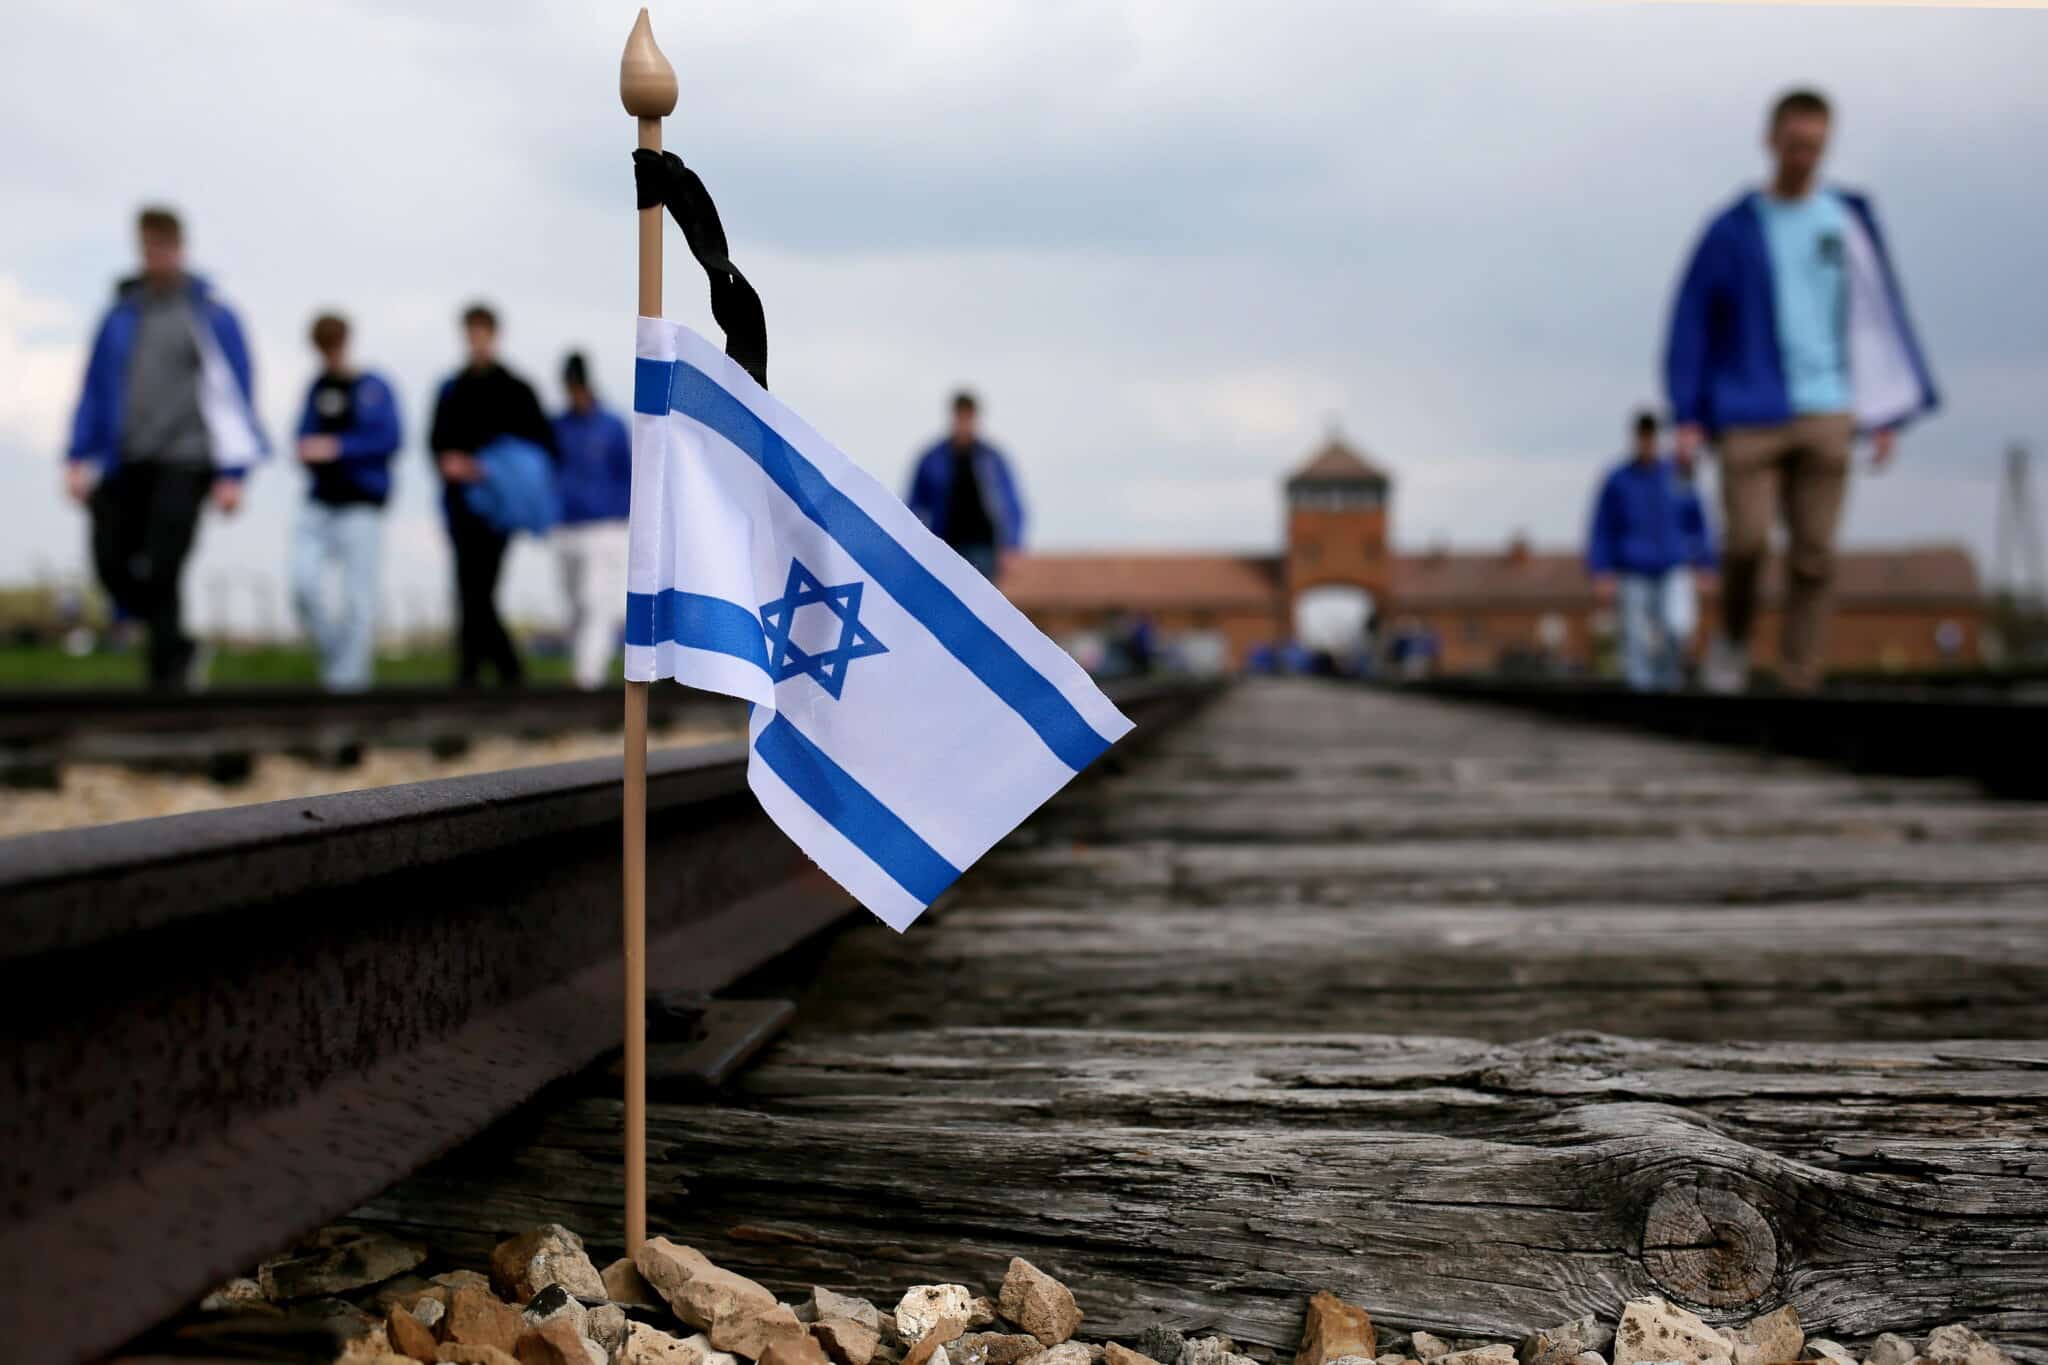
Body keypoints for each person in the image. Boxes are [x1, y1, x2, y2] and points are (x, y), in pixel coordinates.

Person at [1665, 89, 1937, 693]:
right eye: (1793, 144)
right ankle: (1733, 641)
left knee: (1815, 554)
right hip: (1746, 406)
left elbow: (1876, 318)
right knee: (1746, 541)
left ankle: (1799, 677)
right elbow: (1691, 323)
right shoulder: (1732, 230)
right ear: (1771, 141)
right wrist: (1686, 413)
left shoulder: (1847, 221)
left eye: (1814, 146)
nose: (1802, 156)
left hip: (1829, 407)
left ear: (1826, 146)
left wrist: (1884, 408)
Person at [63, 206, 264, 688]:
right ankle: (179, 651)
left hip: (187, 459)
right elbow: (94, 388)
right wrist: (76, 454)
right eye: (147, 247)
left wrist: (233, 474)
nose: (154, 257)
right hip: (125, 458)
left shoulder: (210, 315)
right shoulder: (121, 315)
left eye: (163, 247)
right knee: (110, 559)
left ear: (179, 248)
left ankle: (165, 684)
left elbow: (237, 394)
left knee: (164, 562)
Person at [427, 303, 555, 686]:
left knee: (479, 589)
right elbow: (435, 443)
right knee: (469, 587)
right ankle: (492, 674)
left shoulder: (516, 389)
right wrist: (452, 466)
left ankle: (493, 673)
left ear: (493, 335)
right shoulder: (452, 388)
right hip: (461, 506)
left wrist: (489, 469)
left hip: (500, 508)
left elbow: (539, 448)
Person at [289, 313, 402, 691]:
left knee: (358, 604)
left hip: (361, 504)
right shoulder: (317, 388)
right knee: (303, 585)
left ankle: (347, 691)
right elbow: (302, 434)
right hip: (320, 502)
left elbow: (390, 438)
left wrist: (339, 448)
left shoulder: (374, 386)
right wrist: (306, 450)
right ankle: (340, 670)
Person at [1587, 411, 1714, 691]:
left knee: (1675, 628)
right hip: (1633, 568)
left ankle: (1669, 683)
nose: (1647, 443)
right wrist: (1601, 569)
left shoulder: (1676, 476)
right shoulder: (1618, 480)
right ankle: (1639, 689)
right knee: (1633, 634)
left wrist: (1706, 562)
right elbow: (1602, 527)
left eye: (1651, 437)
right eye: (1642, 437)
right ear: (1635, 439)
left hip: (1672, 566)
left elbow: (1698, 521)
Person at [551, 352, 633, 689]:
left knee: (596, 602)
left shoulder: (611, 426)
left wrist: (623, 516)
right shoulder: (557, 426)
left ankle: (588, 677)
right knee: (574, 604)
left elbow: (627, 473)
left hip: (605, 527)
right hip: (567, 526)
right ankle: (585, 669)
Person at [905, 390, 1024, 581]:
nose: (964, 423)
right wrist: (914, 543)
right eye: (960, 416)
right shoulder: (933, 458)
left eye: (968, 417)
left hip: (983, 546)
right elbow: (914, 506)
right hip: (945, 545)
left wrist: (1011, 545)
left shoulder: (991, 459)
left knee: (981, 602)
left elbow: (1011, 504)